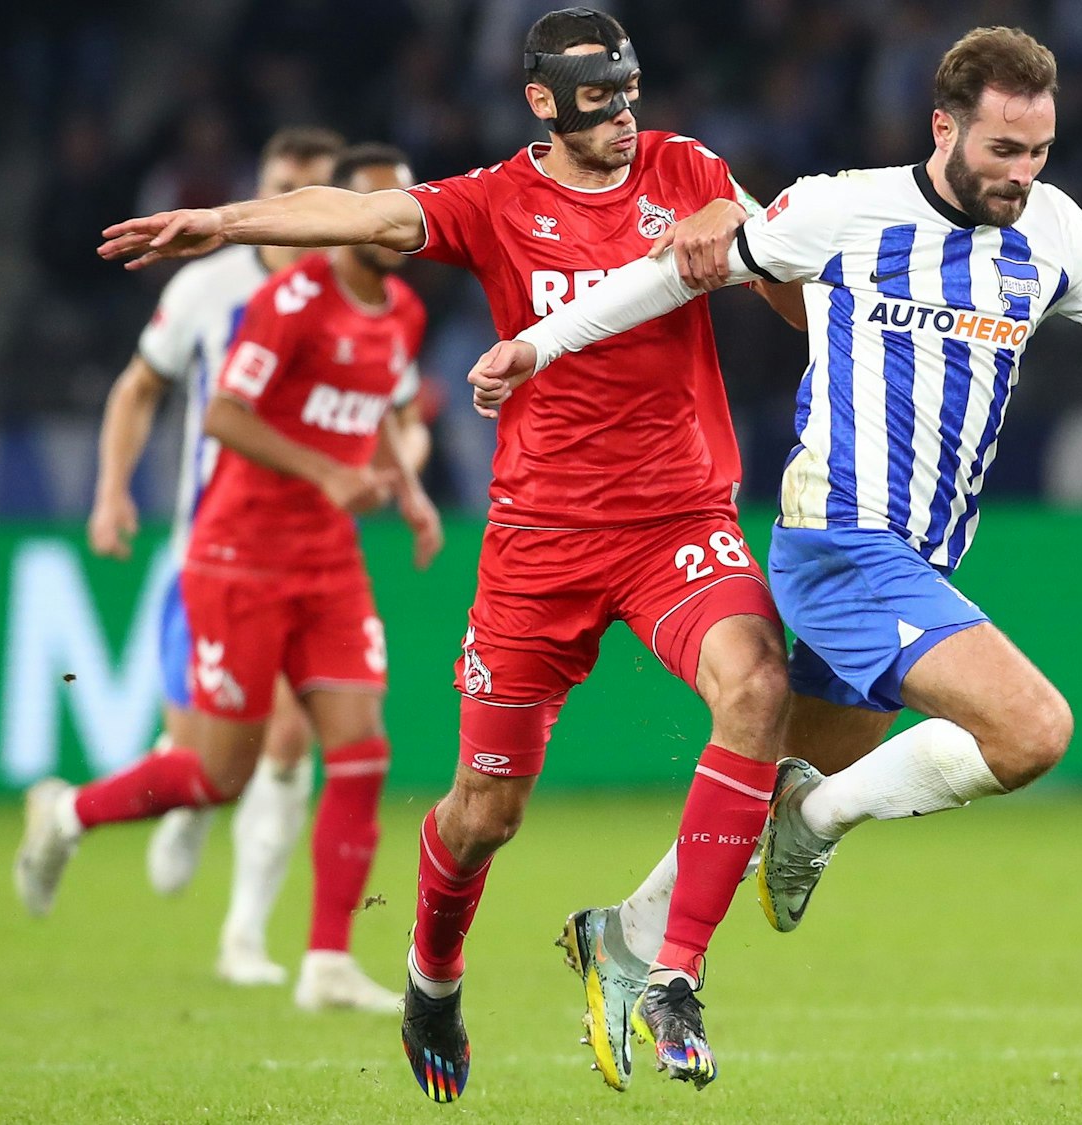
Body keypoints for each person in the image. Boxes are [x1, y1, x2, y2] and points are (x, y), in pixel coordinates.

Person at [468, 21, 1082, 1014]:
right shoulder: (841, 209)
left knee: (773, 780)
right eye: (1003, 149)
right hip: (839, 543)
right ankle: (810, 828)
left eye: (1038, 151)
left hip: (920, 556)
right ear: (944, 127)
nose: (1021, 173)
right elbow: (671, 272)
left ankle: (625, 937)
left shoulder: (1055, 232)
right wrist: (537, 345)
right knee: (1030, 731)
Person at [95, 7, 807, 1100]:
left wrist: (747, 234)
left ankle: (671, 974)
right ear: (541, 102)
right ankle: (431, 975)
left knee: (757, 687)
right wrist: (228, 222)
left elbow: (794, 305)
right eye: (595, 101)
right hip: (538, 544)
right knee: (484, 813)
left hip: (678, 521)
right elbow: (359, 210)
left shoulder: (687, 169)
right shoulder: (494, 202)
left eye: (628, 94)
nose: (621, 117)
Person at [19, 144, 445, 1016]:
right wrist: (327, 475)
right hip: (239, 556)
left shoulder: (402, 312)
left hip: (328, 561)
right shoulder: (288, 303)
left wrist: (408, 492)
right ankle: (67, 814)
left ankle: (326, 960)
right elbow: (222, 414)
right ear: (343, 219)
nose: (391, 224)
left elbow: (374, 410)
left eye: (400, 208)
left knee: (362, 750)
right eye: (374, 208)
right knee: (219, 774)